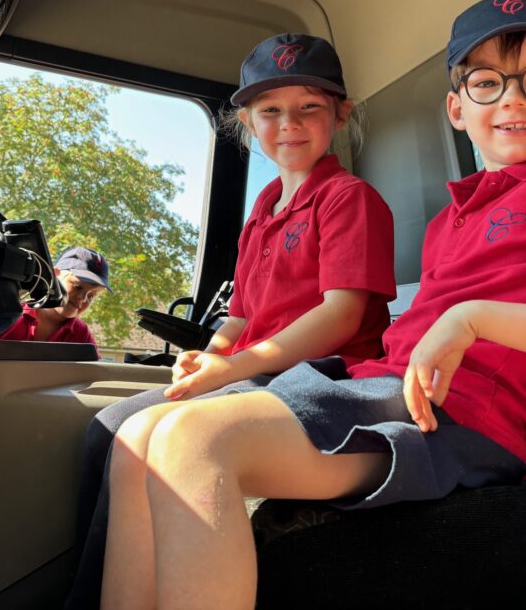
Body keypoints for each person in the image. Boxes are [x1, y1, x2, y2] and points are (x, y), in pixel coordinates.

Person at [98, 0, 526, 610]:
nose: (512, 98)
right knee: (141, 438)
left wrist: (470, 320)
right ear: (456, 108)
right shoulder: (451, 218)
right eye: (487, 83)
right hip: (374, 386)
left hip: (461, 416)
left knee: (193, 442)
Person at [64, 33, 396, 608]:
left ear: (340, 114)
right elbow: (240, 312)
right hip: (260, 370)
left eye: (309, 108)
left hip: (324, 374)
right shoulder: (263, 209)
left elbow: (343, 315)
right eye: (270, 111)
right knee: (108, 429)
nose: (289, 123)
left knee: (127, 431)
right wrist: (213, 355)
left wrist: (232, 369)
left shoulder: (348, 198)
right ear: (246, 121)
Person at [0, 246, 110, 345]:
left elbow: (94, 368)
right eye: (77, 287)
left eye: (91, 296)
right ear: (54, 275)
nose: (83, 298)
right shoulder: (9, 316)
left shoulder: (81, 334)